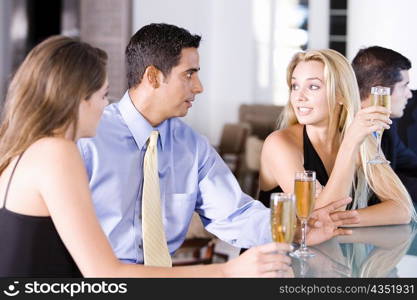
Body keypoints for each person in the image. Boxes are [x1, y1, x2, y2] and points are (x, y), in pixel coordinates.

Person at [0, 35, 296, 278]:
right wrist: (228, 272)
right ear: (78, 98)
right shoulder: (60, 151)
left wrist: (298, 226)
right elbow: (106, 273)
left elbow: (234, 214)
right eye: (103, 96)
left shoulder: (33, 148)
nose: (106, 107)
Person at [77, 23, 358, 266]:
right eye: (189, 74)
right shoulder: (88, 139)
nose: (199, 86)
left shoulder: (192, 146)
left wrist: (298, 230)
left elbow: (234, 214)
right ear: (153, 77)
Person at [259, 49, 416, 227]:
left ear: (341, 94)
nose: (299, 97)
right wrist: (349, 145)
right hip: (277, 252)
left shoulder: (360, 138)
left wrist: (347, 219)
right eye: (295, 86)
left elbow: (402, 209)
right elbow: (315, 218)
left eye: (313, 86)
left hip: (328, 251)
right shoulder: (279, 144)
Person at [352, 46, 417, 203]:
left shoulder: (387, 126)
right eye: (404, 86)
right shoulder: (344, 129)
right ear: (380, 91)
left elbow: (411, 163)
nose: (409, 94)